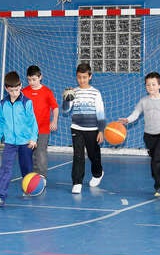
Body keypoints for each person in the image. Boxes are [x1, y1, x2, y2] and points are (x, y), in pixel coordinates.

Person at [119, 72, 160, 197]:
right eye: (148, 85)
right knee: (156, 160)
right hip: (148, 136)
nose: (151, 87)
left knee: (157, 159)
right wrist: (127, 120)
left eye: (153, 84)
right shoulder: (144, 101)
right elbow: (136, 113)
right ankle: (158, 176)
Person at [0, 71, 38, 207]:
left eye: (17, 89)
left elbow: (33, 122)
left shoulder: (26, 103)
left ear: (21, 86)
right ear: (6, 89)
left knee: (26, 168)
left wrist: (33, 138)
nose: (15, 93)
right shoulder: (3, 103)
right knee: (5, 168)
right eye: (12, 91)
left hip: (25, 142)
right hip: (10, 142)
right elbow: (0, 121)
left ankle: (28, 188)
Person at [61, 62, 106, 194]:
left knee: (94, 155)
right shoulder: (73, 92)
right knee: (78, 156)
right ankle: (77, 182)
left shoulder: (96, 93)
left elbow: (100, 113)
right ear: (76, 77)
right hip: (76, 128)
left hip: (92, 130)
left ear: (90, 76)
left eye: (84, 77)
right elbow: (66, 110)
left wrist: (101, 131)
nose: (82, 80)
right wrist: (66, 99)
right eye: (79, 77)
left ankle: (98, 173)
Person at [22, 65, 59, 178]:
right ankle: (31, 176)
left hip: (43, 128)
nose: (31, 82)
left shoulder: (47, 92)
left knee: (40, 152)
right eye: (29, 79)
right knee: (29, 153)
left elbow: (55, 107)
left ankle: (42, 176)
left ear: (40, 77)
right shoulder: (24, 92)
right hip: (28, 130)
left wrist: (54, 121)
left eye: (34, 79)